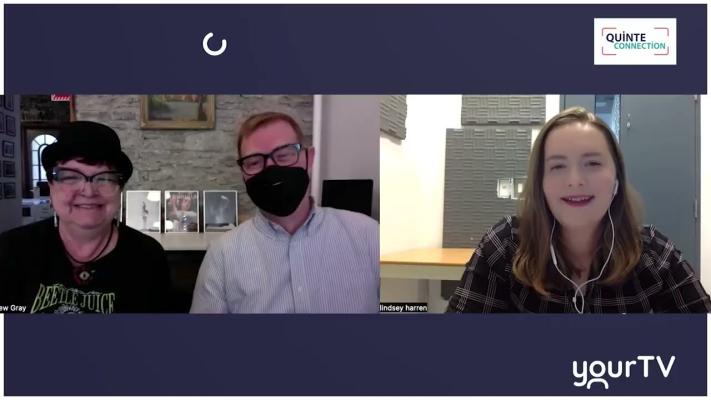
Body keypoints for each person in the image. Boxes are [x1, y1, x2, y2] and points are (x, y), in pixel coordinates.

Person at [447, 107, 711, 313]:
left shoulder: (655, 254)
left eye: (593, 163)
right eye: (557, 166)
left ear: (617, 179)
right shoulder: (504, 246)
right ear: (540, 183)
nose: (575, 180)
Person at [190, 112, 379, 313]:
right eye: (254, 162)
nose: (271, 168)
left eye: (284, 155)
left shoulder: (368, 235)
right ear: (244, 174)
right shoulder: (222, 256)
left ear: (309, 158)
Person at [0, 121, 171, 313]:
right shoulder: (10, 250)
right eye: (71, 177)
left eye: (104, 178)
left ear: (120, 189)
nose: (88, 192)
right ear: (51, 185)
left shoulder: (147, 256)